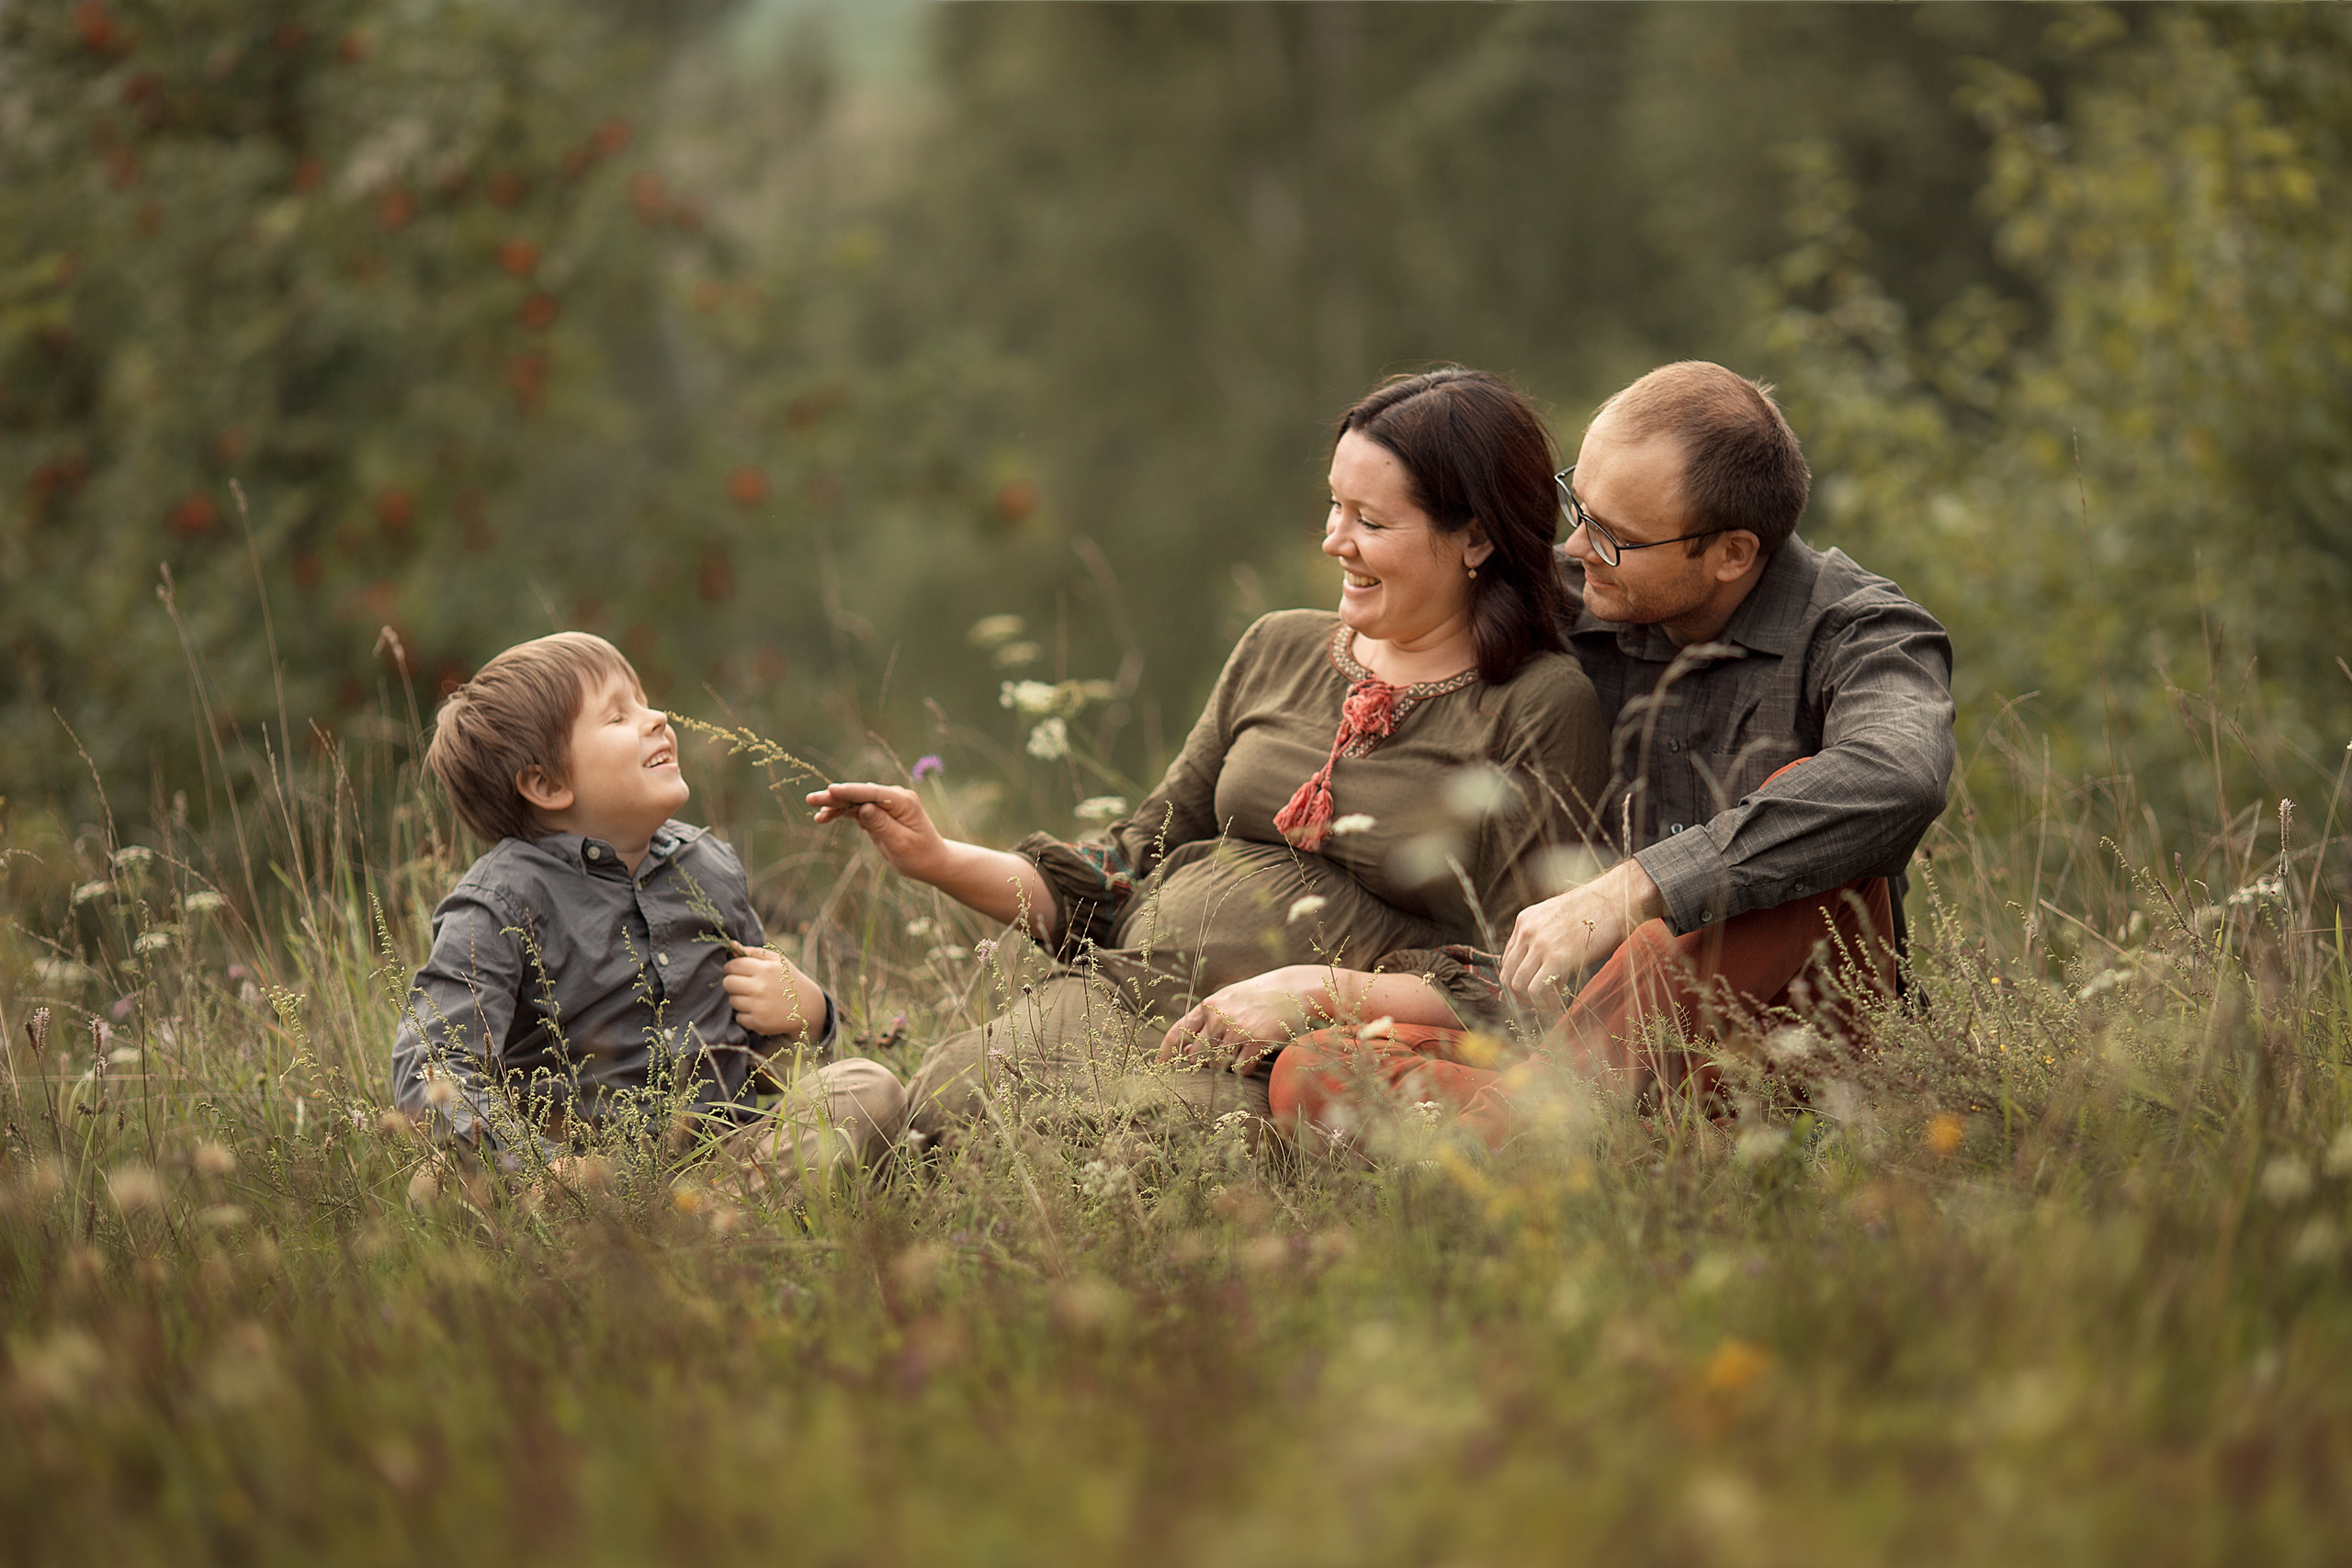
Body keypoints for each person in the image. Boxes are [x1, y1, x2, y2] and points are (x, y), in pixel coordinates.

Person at [808, 368, 1610, 1148]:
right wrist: (936, 856)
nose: (1334, 540)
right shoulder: (1278, 648)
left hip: (1269, 1055)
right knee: (947, 1099)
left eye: (1370, 520)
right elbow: (1123, 869)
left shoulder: (1538, 704)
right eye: (1334, 506)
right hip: (1122, 991)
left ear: (1474, 536)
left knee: (1107, 1146)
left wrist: (1312, 992)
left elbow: (1522, 981)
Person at [1268, 361, 1956, 1139]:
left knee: (1814, 836)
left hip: (1781, 1057)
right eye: (1578, 506)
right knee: (1319, 1067)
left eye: (1616, 538)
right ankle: (1552, 1134)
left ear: (1732, 552)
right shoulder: (1564, 601)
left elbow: (1900, 774)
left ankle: (1535, 1137)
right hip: (1578, 1040)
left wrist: (1639, 886)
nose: (1575, 546)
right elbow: (1416, 606)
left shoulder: (1859, 631)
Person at [391, 632, 902, 1182]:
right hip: (591, 1176)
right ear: (545, 783)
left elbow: (768, 1055)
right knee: (439, 1180)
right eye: (617, 717)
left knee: (869, 1092)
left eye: (644, 701)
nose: (656, 717)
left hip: (733, 1151)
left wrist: (811, 1012)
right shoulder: (501, 905)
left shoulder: (708, 866)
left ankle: (705, 1218)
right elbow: (431, 1068)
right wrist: (541, 1168)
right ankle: (651, 1230)